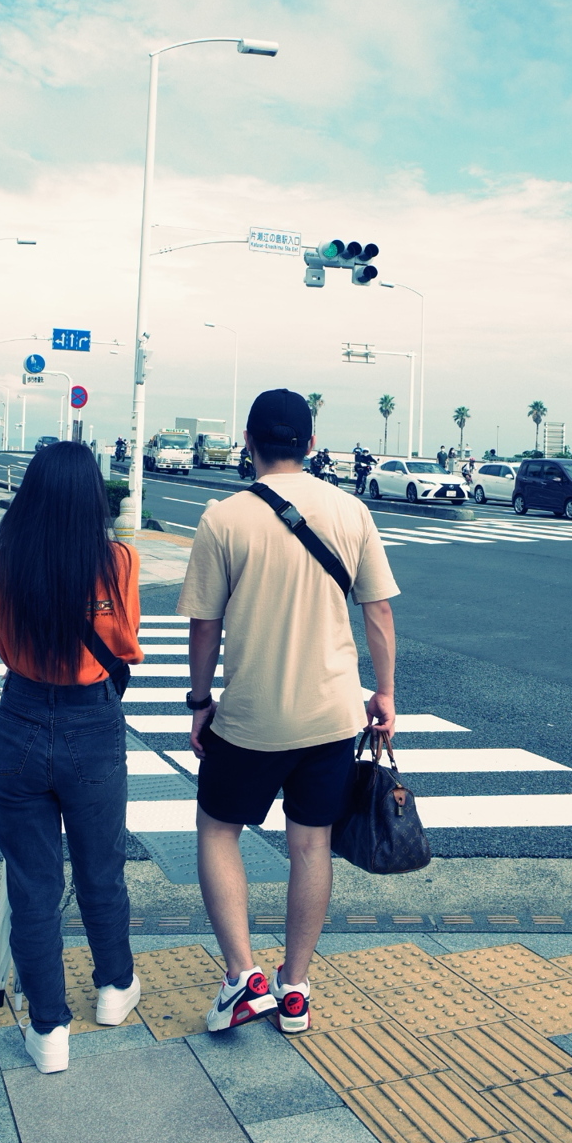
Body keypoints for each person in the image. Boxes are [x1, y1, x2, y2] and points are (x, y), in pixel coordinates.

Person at [179, 389, 399, 1035]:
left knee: (219, 832)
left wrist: (199, 703)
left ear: (249, 441)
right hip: (331, 717)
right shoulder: (350, 510)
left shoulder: (223, 518)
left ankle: (241, 977)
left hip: (250, 718)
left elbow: (204, 625)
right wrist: (383, 694)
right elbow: (379, 611)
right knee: (312, 846)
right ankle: (295, 988)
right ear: (310, 443)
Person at [0, 442, 143, 1074]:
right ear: (93, 497)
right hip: (92, 724)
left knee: (33, 884)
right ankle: (115, 989)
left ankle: (48, 1029)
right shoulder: (117, 562)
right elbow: (125, 641)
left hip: (18, 722)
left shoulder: (2, 563)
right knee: (101, 869)